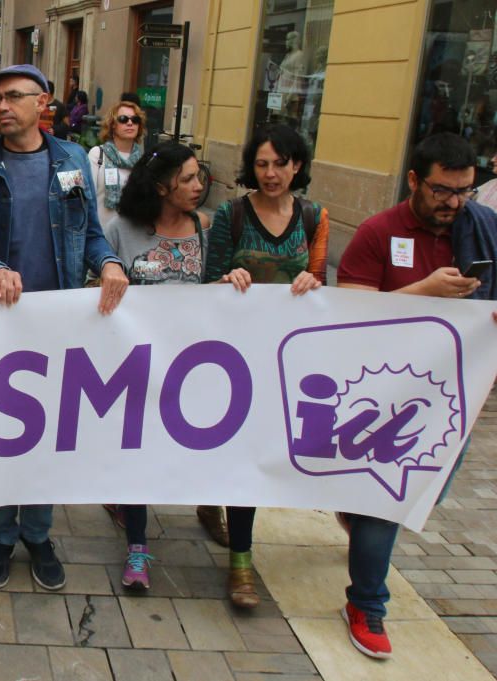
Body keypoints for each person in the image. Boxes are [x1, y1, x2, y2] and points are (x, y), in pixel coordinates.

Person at [0, 64, 128, 592]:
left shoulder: (71, 159)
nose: (1, 106)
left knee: (47, 436)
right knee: (3, 434)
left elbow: (91, 234)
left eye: (13, 97)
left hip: (59, 329)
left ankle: (38, 531)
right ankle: (1, 533)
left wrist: (110, 263)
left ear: (42, 101)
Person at [335, 132, 497, 659]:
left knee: (422, 493)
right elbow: (350, 314)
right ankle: (367, 605)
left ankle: (355, 516)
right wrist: (426, 290)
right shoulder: (378, 233)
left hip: (454, 392)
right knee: (390, 497)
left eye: (465, 191)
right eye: (442, 190)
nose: (454, 203)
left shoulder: (484, 230)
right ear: (413, 181)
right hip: (383, 395)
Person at [203, 123, 328, 610]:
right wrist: (225, 278)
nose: (271, 173)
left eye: (280, 163)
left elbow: (320, 282)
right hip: (230, 356)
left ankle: (234, 542)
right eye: (261, 164)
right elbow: (206, 284)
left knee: (250, 453)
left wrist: (312, 285)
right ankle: (240, 564)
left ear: (297, 165)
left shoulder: (314, 217)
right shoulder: (232, 216)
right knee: (232, 452)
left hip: (281, 358)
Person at [97, 141, 209, 589]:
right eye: (188, 179)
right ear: (162, 186)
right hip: (134, 364)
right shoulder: (122, 230)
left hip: (187, 366)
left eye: (200, 177)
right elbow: (97, 289)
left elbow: (212, 295)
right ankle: (138, 549)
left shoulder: (204, 227)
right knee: (136, 453)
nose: (198, 186)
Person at [89, 101, 146, 226]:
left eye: (135, 119)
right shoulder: (98, 154)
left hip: (131, 235)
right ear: (113, 125)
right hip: (102, 234)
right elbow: (88, 196)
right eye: (123, 119)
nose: (130, 123)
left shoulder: (143, 160)